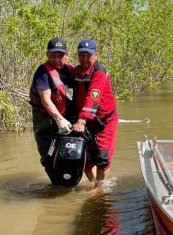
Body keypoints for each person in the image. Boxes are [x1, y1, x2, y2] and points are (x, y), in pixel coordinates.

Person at [72, 39, 118, 188]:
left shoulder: (99, 71)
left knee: (102, 158)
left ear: (96, 55)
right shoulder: (77, 71)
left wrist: (81, 120)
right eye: (82, 55)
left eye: (88, 55)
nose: (85, 59)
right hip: (87, 121)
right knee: (85, 159)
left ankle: (99, 188)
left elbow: (93, 96)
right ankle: (94, 184)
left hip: (105, 121)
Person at [29, 38, 75, 184]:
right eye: (52, 56)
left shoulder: (70, 70)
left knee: (70, 153)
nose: (56, 60)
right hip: (45, 121)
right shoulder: (42, 72)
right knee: (49, 156)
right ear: (47, 55)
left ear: (66, 55)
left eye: (60, 56)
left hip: (67, 119)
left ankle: (69, 183)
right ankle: (56, 184)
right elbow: (45, 100)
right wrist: (59, 119)